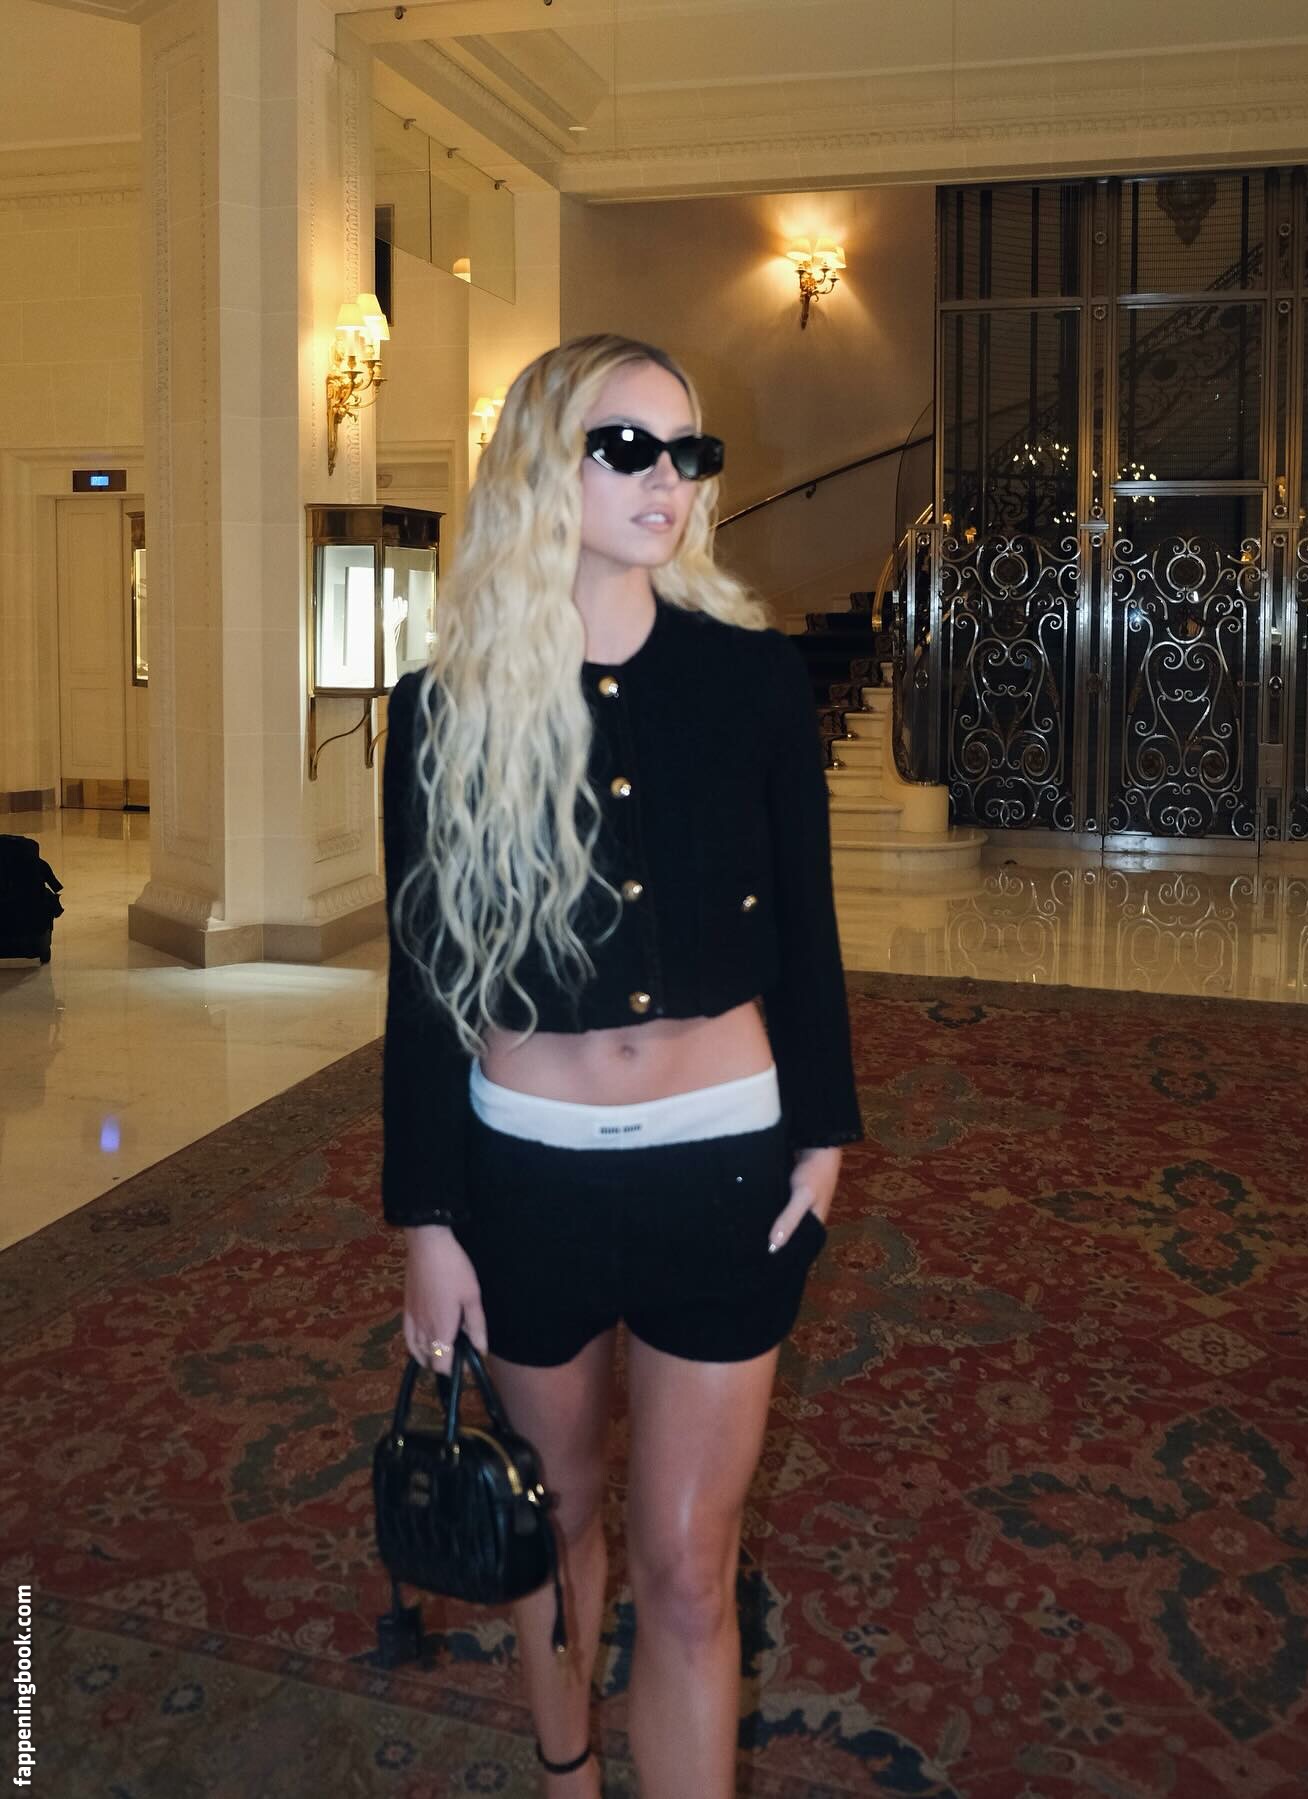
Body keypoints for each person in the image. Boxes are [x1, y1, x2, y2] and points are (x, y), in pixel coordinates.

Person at [380, 332, 863, 1799]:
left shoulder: (755, 682)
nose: (669, 480)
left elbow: (808, 927)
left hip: (724, 1170)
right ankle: (567, 1771)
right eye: (628, 447)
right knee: (553, 1528)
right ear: (545, 466)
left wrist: (824, 1132)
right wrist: (428, 1219)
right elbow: (424, 988)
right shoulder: (445, 709)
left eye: (687, 451)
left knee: (690, 1562)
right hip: (529, 1183)